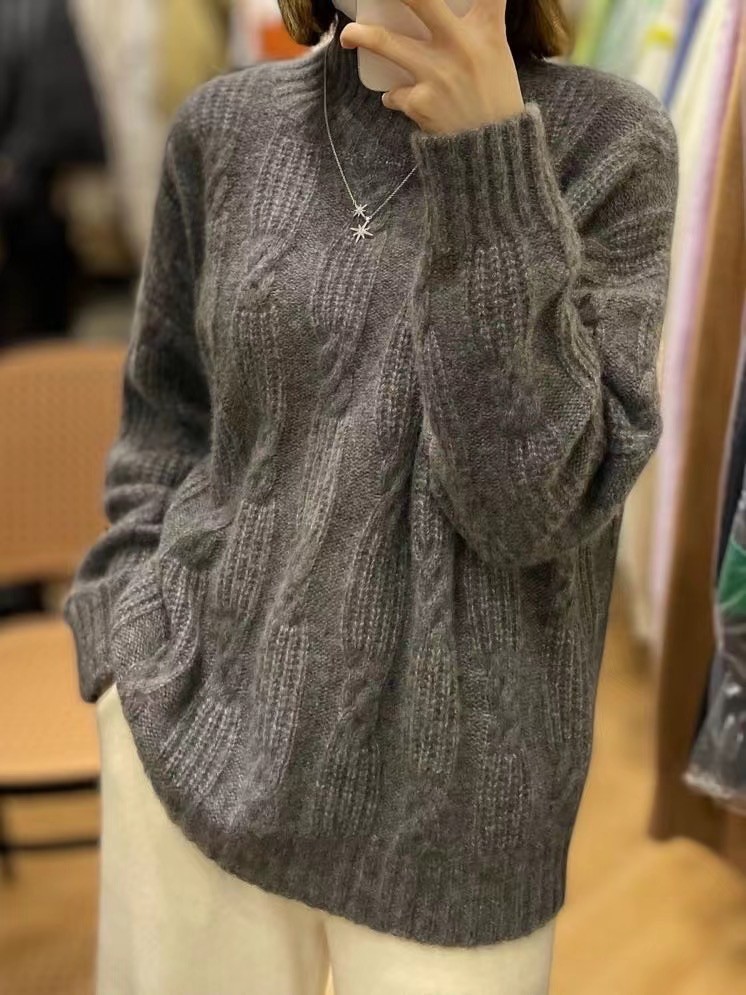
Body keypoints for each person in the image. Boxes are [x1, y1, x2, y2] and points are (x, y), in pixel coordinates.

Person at [62, 0, 679, 991]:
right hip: (188, 748)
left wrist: (487, 161)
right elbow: (166, 418)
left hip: (454, 827)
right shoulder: (225, 128)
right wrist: (121, 644)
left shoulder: (609, 142)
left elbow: (530, 507)